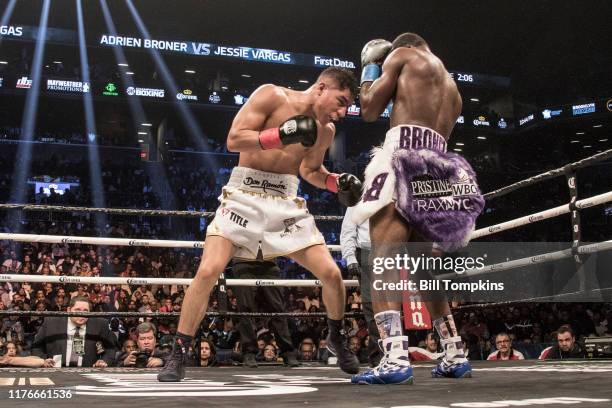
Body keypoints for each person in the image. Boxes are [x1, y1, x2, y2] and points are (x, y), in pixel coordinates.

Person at [158, 67, 362, 382]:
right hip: (244, 195)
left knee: (332, 274)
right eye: (341, 101)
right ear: (321, 88)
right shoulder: (272, 95)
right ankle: (178, 353)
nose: (343, 111)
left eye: (347, 106)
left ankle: (336, 335)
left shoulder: (326, 131)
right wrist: (280, 134)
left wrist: (336, 183)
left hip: (285, 201)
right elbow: (233, 140)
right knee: (209, 271)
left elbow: (311, 171)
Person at [351, 33, 485, 384]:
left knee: (384, 260)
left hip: (402, 156)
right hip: (439, 171)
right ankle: (454, 353)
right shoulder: (453, 89)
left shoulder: (403, 56)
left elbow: (368, 109)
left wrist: (370, 65)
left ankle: (395, 357)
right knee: (425, 270)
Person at [232, 260, 299, 368]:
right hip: (243, 259)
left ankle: (287, 352)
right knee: (245, 308)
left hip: (269, 260)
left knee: (277, 308)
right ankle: (249, 352)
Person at [340, 206, 381, 366]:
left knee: (391, 306)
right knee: (372, 306)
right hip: (365, 252)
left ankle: (392, 352)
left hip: (389, 252)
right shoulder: (357, 199)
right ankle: (377, 355)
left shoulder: (394, 194)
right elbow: (347, 230)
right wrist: (350, 258)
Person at [31, 295, 118, 367]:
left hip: (88, 372)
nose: (81, 314)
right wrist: (43, 361)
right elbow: (36, 347)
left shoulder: (100, 324)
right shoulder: (51, 322)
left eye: (85, 311)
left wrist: (103, 361)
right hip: (56, 371)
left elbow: (110, 348)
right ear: (69, 310)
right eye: (78, 310)